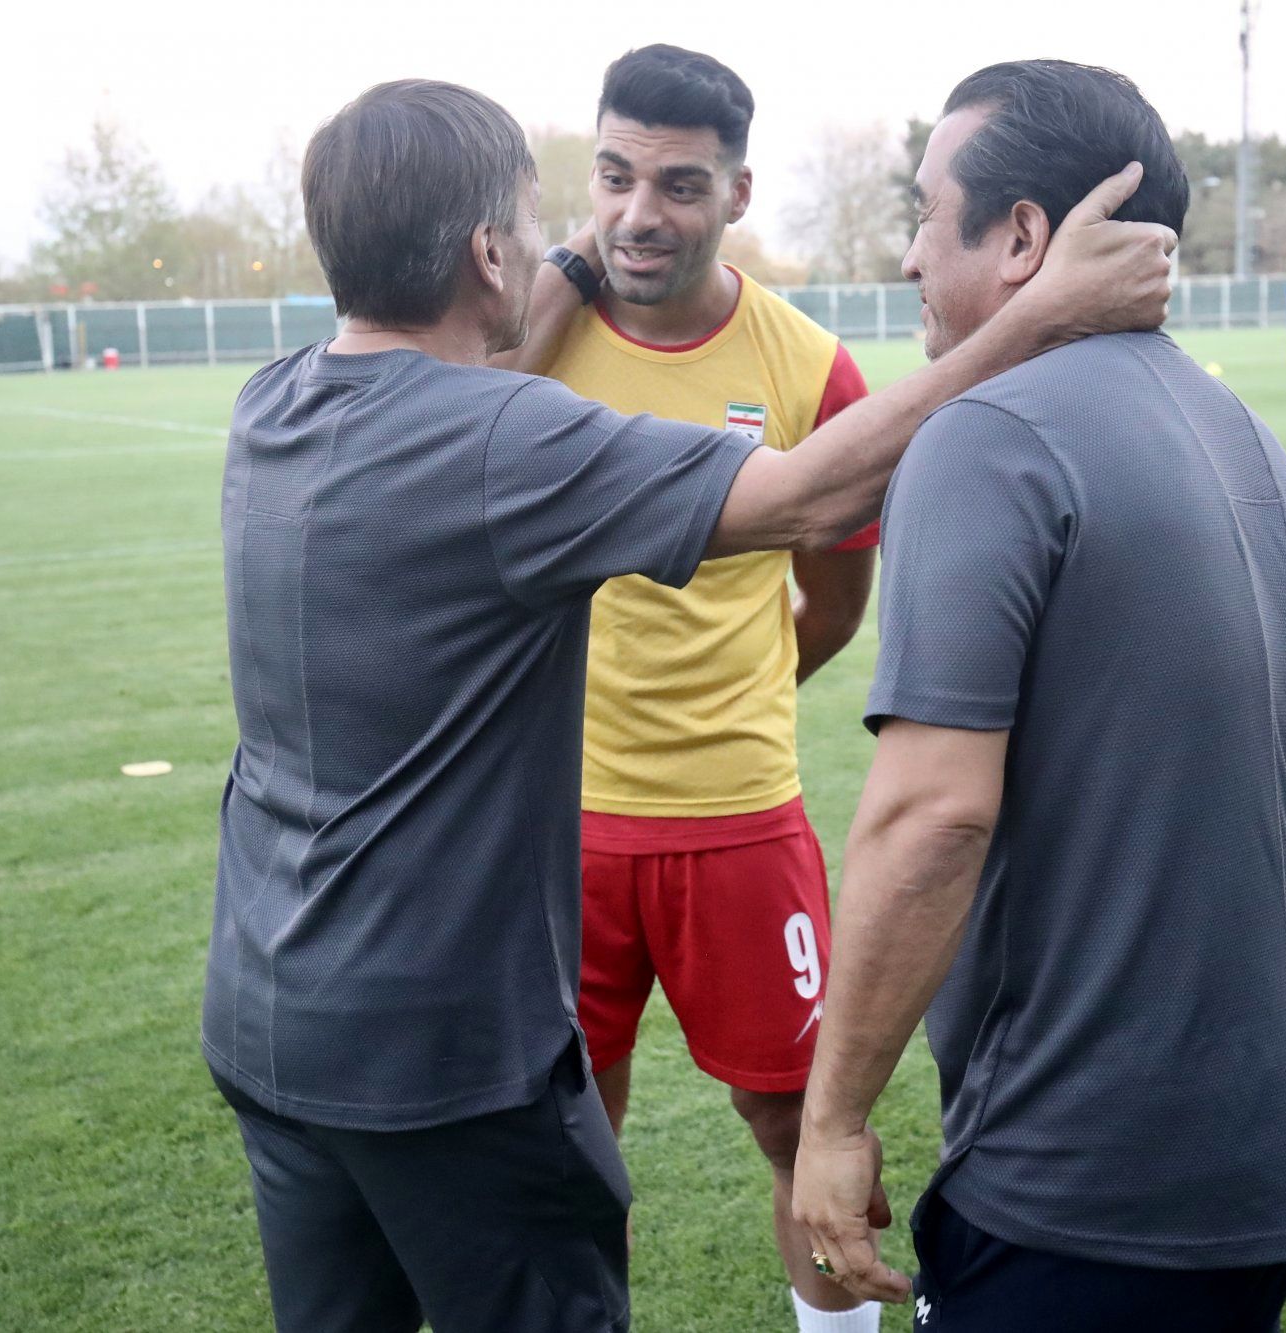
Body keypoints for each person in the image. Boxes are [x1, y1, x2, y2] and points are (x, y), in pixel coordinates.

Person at [200, 77, 1175, 1333]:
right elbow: (810, 500)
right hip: (446, 1054)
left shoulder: (268, 402)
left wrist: (560, 258)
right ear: (492, 253)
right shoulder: (502, 437)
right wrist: (1043, 314)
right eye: (554, 214)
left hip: (272, 1027)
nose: (596, 233)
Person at [791, 61, 1286, 1332]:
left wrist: (830, 1122)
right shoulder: (1245, 438)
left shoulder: (984, 437)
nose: (904, 256)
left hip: (1083, 1172)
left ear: (1023, 238)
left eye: (927, 213)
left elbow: (931, 816)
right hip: (1254, 1151)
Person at [503, 45, 882, 1333]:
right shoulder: (529, 348)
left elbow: (833, 596)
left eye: (677, 184)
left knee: (795, 1123)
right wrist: (546, 297)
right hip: (559, 826)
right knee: (566, 1137)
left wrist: (746, 695)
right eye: (613, 176)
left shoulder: (808, 367)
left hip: (738, 822)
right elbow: (435, 453)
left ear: (738, 192)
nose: (636, 213)